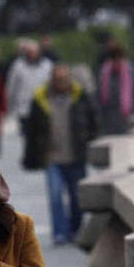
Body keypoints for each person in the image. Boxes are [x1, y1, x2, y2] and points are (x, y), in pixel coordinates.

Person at [26, 65, 98, 245]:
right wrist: (31, 157)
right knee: (55, 196)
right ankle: (59, 232)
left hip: (76, 156)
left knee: (76, 197)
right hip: (52, 158)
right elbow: (33, 131)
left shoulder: (81, 97)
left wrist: (89, 143)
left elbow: (93, 122)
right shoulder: (41, 99)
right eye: (57, 80)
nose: (61, 83)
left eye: (64, 79)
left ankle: (74, 229)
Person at [6, 40, 54, 167]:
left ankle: (42, 158)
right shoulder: (18, 66)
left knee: (42, 133)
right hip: (24, 106)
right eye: (30, 52)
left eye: (35, 52)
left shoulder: (47, 65)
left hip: (43, 106)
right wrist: (10, 105)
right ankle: (30, 158)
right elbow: (12, 86)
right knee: (28, 134)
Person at [98, 45, 134, 135]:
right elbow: (100, 93)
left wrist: (133, 107)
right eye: (115, 59)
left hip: (124, 115)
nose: (118, 62)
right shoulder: (105, 73)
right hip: (109, 115)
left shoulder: (130, 71)